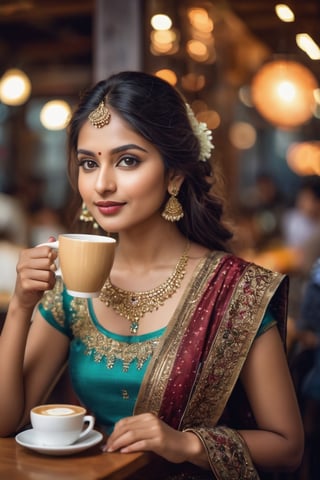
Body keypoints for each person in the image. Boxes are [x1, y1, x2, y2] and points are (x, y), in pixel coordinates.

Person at [0, 71, 303, 479]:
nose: (102, 184)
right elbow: (7, 422)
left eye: (128, 160)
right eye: (89, 163)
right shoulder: (73, 286)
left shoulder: (236, 290)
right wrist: (20, 308)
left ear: (175, 174)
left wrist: (185, 443)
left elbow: (288, 447)